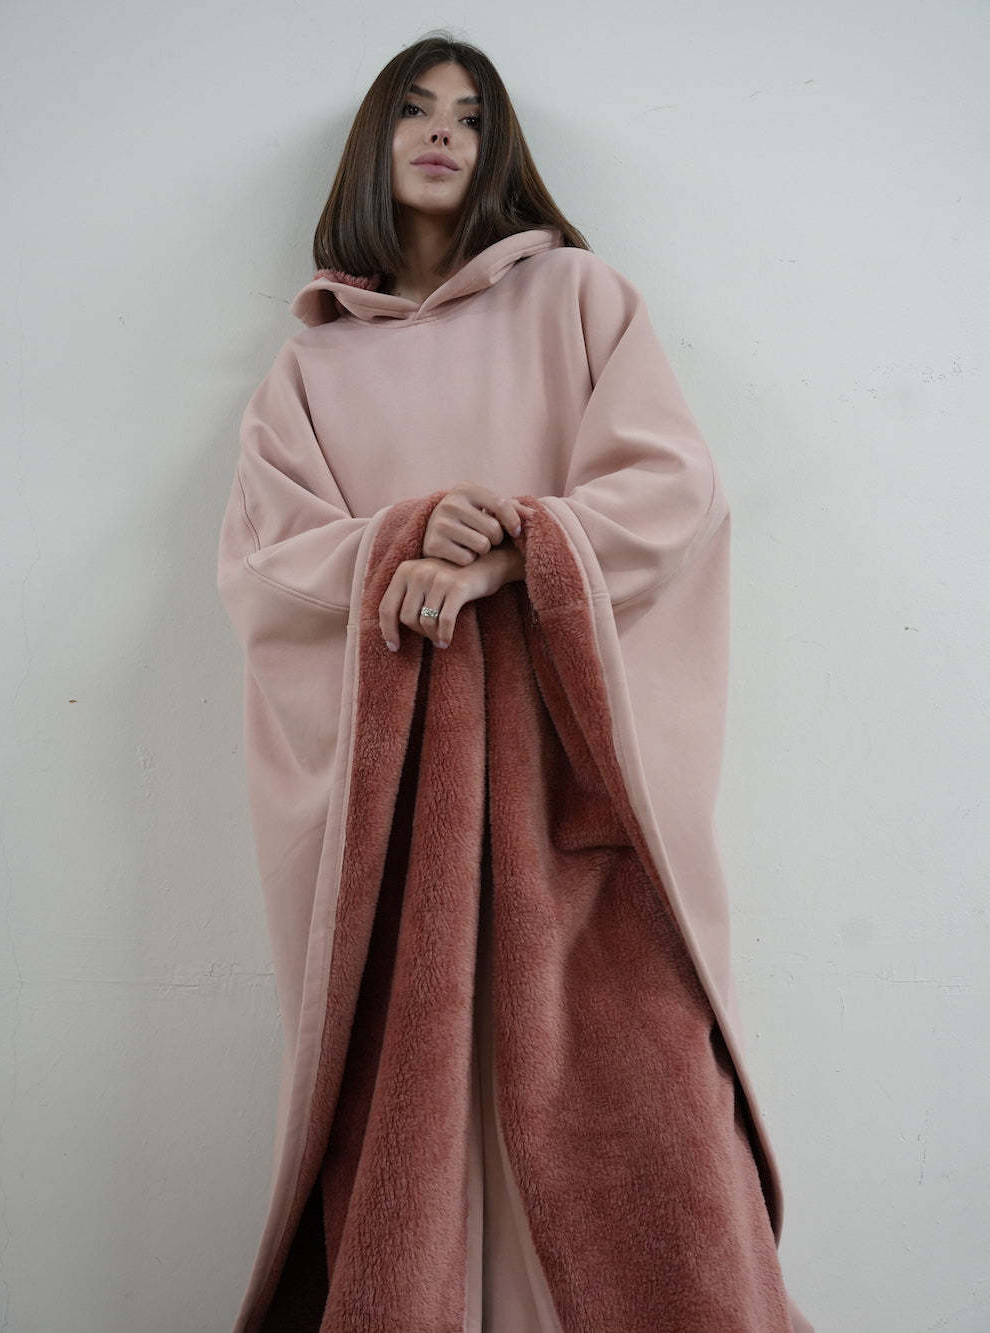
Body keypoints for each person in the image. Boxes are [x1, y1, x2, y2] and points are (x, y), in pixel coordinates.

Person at [216, 29, 813, 1333]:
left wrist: (508, 551)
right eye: (414, 108)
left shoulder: (578, 298)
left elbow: (672, 492)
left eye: (473, 116)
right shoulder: (311, 367)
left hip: (570, 779)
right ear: (372, 145)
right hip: (402, 811)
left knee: (647, 1090)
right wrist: (399, 541)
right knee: (416, 1092)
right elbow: (264, 566)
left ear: (499, 153)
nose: (444, 131)